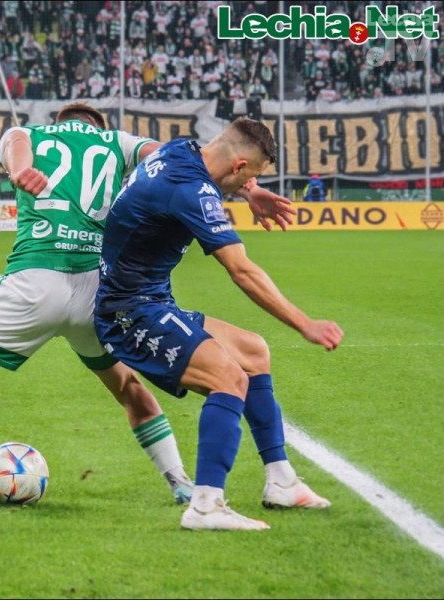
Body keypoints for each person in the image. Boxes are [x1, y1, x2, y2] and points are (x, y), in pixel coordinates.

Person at [0, 103, 194, 504]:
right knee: (129, 388)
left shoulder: (34, 134)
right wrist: (245, 184)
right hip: (95, 292)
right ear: (98, 125)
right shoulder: (117, 142)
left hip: (35, 280)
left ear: (60, 122)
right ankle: (180, 482)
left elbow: (15, 140)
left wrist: (20, 170)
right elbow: (174, 156)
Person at [94, 117, 344, 531]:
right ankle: (206, 506)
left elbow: (221, 168)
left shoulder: (179, 149)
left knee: (252, 351)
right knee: (229, 378)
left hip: (148, 301)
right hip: (129, 313)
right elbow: (242, 271)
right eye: (251, 175)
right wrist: (305, 324)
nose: (247, 183)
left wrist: (250, 190)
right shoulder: (192, 190)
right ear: (240, 165)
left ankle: (281, 481)